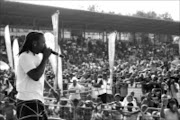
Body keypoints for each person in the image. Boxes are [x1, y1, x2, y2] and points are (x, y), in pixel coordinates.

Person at [16, 32, 58, 120]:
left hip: (37, 99)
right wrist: (45, 58)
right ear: (34, 43)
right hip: (27, 100)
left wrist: (52, 90)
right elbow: (35, 76)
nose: (45, 45)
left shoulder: (37, 57)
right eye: (43, 42)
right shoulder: (25, 56)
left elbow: (41, 77)